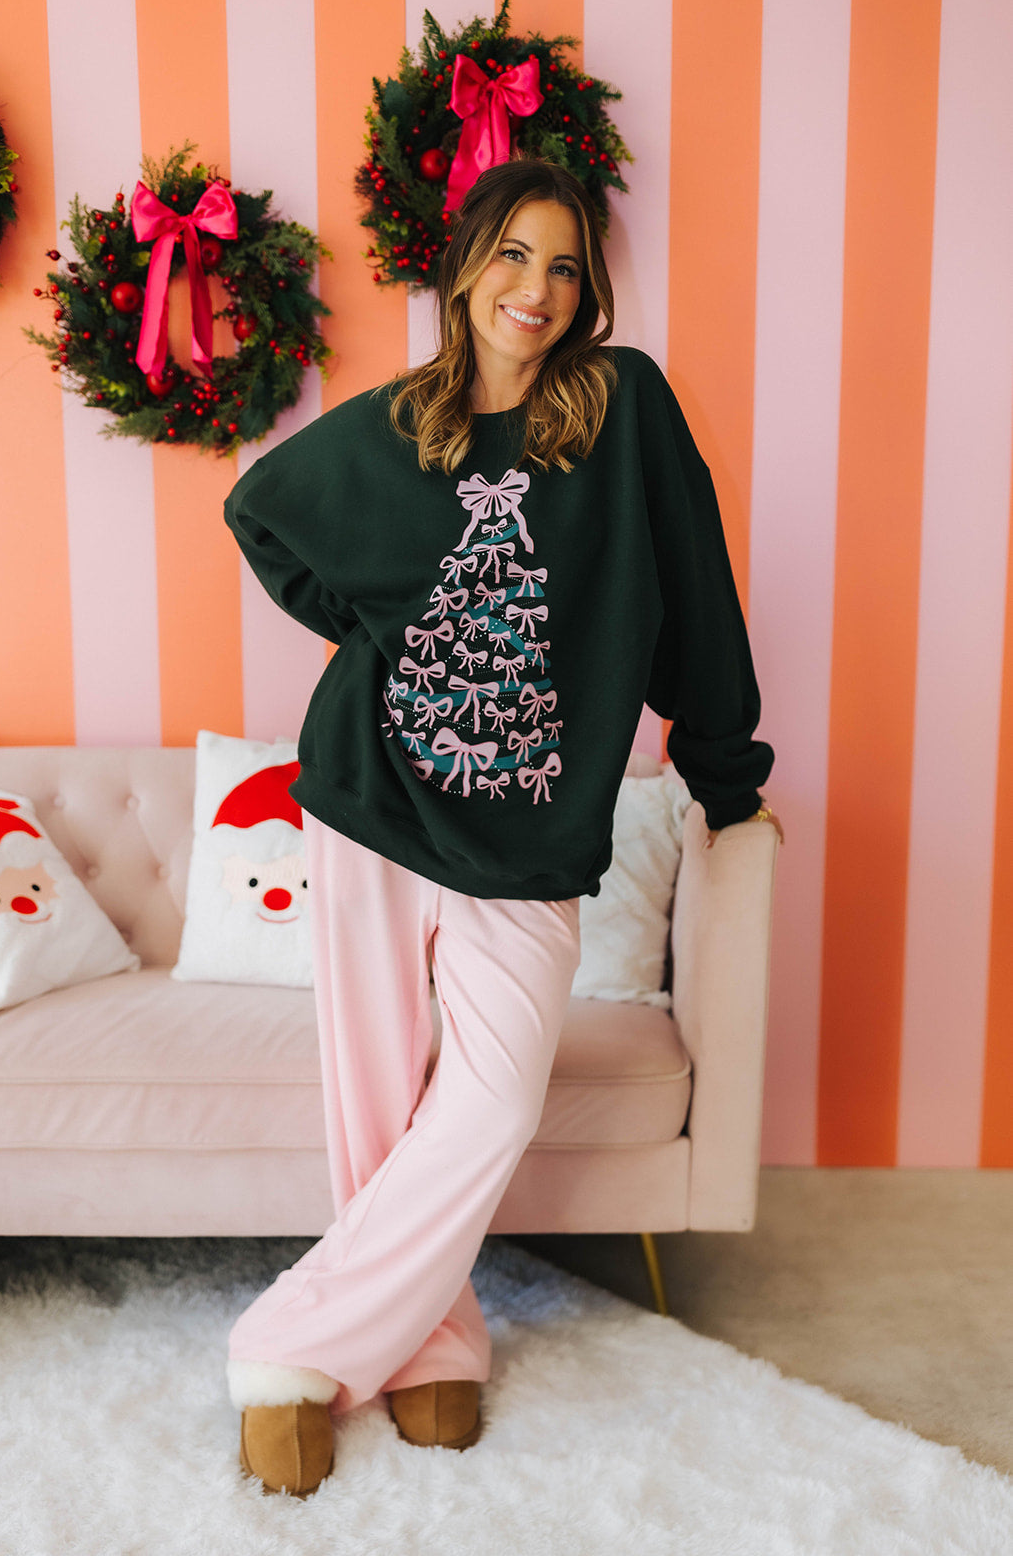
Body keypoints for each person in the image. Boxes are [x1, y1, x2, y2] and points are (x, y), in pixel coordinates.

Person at [222, 157, 778, 1497]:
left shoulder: (622, 408)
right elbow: (262, 511)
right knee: (379, 1098)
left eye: (567, 264)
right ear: (466, 268)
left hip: (529, 833)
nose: (539, 288)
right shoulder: (399, 426)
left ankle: (285, 1343)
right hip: (368, 800)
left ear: (589, 291)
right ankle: (428, 1343)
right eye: (515, 257)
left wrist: (722, 768)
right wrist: (377, 636)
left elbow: (695, 593)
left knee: (488, 1101)